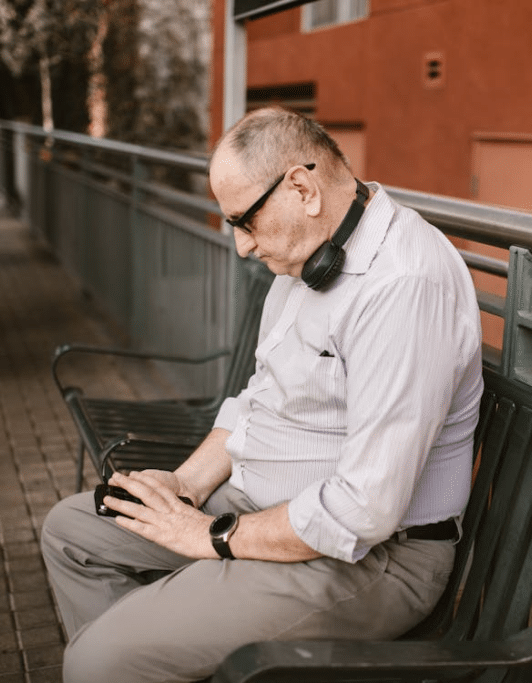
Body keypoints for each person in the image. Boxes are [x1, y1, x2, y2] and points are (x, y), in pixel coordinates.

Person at [41, 106, 483, 683]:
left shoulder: (402, 286)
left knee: (96, 663)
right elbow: (258, 398)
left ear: (302, 187)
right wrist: (187, 485)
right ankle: (145, 654)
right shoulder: (308, 259)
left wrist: (209, 535)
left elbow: (363, 510)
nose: (242, 247)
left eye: (244, 222)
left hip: (371, 557)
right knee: (72, 531)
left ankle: (124, 658)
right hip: (257, 510)